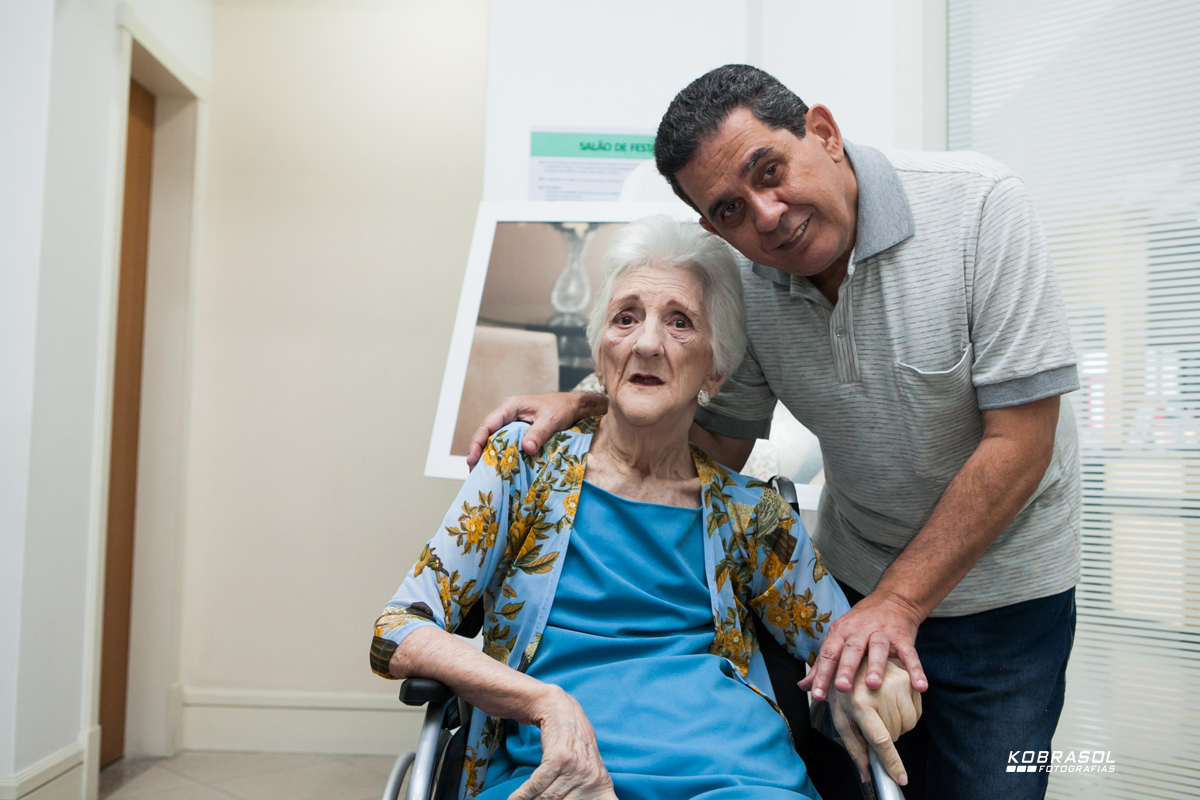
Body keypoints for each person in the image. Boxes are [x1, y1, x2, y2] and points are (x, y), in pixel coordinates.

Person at [467, 66, 1081, 800]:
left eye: (771, 170)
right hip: (856, 582)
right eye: (729, 208)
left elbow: (1021, 441)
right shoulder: (742, 282)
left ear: (822, 132)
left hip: (1005, 603)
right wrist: (589, 404)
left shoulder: (981, 208)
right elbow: (712, 436)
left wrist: (900, 605)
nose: (765, 214)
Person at [373, 216, 921, 800]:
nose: (648, 343)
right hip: (560, 772)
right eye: (625, 317)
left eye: (679, 322)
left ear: (715, 370)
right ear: (601, 348)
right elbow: (398, 630)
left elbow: (846, 649)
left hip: (738, 778)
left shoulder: (751, 515)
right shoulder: (525, 466)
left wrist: (872, 680)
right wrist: (544, 701)